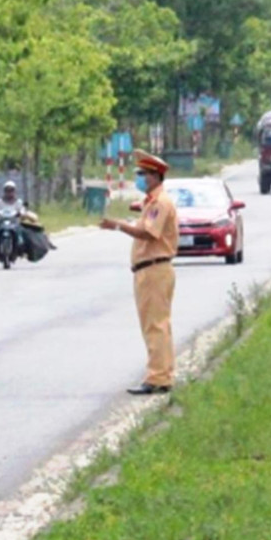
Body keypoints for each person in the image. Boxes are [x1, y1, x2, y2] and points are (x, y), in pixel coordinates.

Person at [99, 150, 179, 395]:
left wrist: (119, 226)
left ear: (155, 176)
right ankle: (161, 373)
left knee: (156, 325)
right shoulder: (151, 203)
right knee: (155, 325)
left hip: (155, 268)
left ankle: (159, 377)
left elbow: (148, 233)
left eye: (143, 174)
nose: (139, 179)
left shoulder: (160, 203)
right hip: (149, 270)